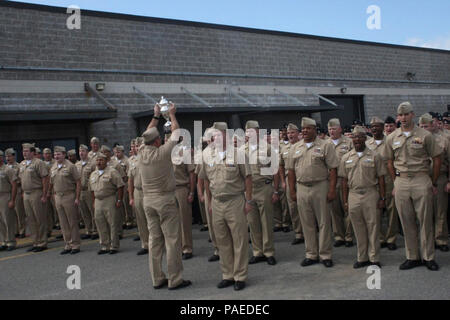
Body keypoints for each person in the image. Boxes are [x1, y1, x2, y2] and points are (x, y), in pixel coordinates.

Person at [138, 102, 191, 290]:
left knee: (154, 241)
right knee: (172, 240)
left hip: (148, 201)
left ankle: (157, 278)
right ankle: (175, 279)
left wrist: (156, 116)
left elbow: (148, 132)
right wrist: (172, 115)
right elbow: (176, 132)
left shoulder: (141, 152)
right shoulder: (162, 153)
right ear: (158, 141)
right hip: (164, 200)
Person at [385, 102, 441, 271]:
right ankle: (412, 256)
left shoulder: (425, 135)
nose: (403, 118)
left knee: (425, 220)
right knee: (406, 220)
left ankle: (428, 256)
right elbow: (389, 161)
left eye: (406, 114)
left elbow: (437, 158)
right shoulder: (392, 137)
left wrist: (433, 181)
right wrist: (395, 181)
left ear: (412, 115)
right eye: (400, 115)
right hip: (401, 181)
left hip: (421, 179)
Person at [199, 121, 253, 290]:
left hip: (234, 200)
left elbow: (248, 178)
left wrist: (248, 200)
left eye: (217, 134)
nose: (213, 137)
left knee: (239, 239)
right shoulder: (207, 154)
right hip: (216, 202)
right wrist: (209, 202)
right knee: (222, 241)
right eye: (212, 135)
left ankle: (240, 276)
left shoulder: (238, 154)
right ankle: (227, 274)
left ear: (225, 135)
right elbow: (205, 179)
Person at [287, 117, 339, 268]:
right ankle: (311, 254)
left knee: (323, 222)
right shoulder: (295, 147)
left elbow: (333, 169)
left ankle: (325, 254)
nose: (304, 131)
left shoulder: (325, 145)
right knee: (306, 222)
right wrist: (292, 191)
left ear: (314, 129)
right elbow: (290, 171)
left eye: (308, 128)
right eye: (303, 129)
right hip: (301, 187)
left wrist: (331, 190)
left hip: (320, 186)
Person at [340, 126, 386, 268]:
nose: (357, 140)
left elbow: (381, 178)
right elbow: (343, 181)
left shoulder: (374, 156)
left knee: (373, 226)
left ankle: (374, 258)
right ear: (351, 140)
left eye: (360, 136)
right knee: (358, 227)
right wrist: (345, 200)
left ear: (365, 138)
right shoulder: (346, 157)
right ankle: (362, 257)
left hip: (370, 193)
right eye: (355, 137)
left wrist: (383, 198)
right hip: (353, 195)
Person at [245, 120, 279, 266]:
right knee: (253, 222)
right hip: (250, 190)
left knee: (266, 221)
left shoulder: (268, 148)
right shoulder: (241, 150)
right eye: (248, 131)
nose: (250, 133)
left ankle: (269, 252)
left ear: (258, 132)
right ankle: (257, 252)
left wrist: (276, 190)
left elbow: (275, 170)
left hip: (264, 187)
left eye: (253, 131)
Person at [418, 113, 449, 252]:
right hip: (422, 178)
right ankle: (427, 240)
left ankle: (441, 239)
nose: (424, 128)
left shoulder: (444, 139)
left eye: (426, 126)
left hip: (441, 177)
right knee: (424, 212)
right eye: (421, 126)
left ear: (433, 125)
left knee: (440, 210)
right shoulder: (416, 139)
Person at [367, 116, 399, 250]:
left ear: (383, 128)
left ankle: (391, 238)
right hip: (373, 181)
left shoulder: (390, 141)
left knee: (392, 210)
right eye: (373, 127)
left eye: (378, 126)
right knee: (375, 211)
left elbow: (396, 160)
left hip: (388, 179)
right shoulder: (367, 144)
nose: (375, 129)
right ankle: (379, 238)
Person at [89, 152, 124, 254]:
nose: (99, 162)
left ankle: (114, 246)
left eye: (101, 160)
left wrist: (119, 200)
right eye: (97, 160)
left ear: (106, 161)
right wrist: (93, 202)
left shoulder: (112, 172)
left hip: (109, 199)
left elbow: (120, 186)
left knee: (112, 223)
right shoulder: (93, 174)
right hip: (98, 201)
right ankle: (105, 245)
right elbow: (91, 190)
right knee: (100, 223)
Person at [48, 146, 82, 255]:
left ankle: (75, 244)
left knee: (72, 221)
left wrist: (77, 197)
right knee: (63, 223)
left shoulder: (70, 166)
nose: (56, 156)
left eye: (58, 154)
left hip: (69, 195)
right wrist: (51, 194)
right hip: (58, 196)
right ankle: (68, 244)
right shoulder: (53, 167)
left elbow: (78, 182)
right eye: (55, 154)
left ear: (64, 154)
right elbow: (51, 183)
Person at [327, 118, 354, 247]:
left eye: (334, 129)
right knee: (334, 210)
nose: (332, 131)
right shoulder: (324, 144)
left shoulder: (349, 142)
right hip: (331, 181)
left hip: (346, 179)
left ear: (340, 129)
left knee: (347, 208)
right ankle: (339, 236)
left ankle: (349, 236)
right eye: (330, 129)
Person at [19, 143, 49, 252]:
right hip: (26, 194)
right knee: (31, 219)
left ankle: (42, 242)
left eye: (27, 151)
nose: (24, 153)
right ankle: (35, 242)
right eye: (23, 151)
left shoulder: (38, 163)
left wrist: (45, 194)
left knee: (39, 218)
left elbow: (45, 179)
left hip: (36, 193)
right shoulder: (22, 164)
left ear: (32, 152)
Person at [197, 128, 220, 262]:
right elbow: (201, 177)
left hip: (222, 191)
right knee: (212, 223)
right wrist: (202, 194)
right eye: (209, 139)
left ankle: (228, 249)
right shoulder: (204, 154)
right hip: (209, 193)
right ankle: (217, 249)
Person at [279, 123, 304, 245]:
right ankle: (298, 233)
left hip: (301, 180)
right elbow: (281, 166)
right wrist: (283, 181)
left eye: (292, 132)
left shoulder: (303, 146)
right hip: (289, 180)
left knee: (305, 207)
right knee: (293, 208)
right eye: (288, 133)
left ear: (298, 133)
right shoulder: (284, 148)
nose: (290, 135)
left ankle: (309, 231)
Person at [173, 142, 196, 260]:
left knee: (184, 220)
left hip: (182, 189)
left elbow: (192, 174)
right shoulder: (164, 154)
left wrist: (191, 192)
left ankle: (187, 248)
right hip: (169, 191)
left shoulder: (185, 153)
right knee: (172, 222)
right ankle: (177, 247)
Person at [128, 138, 149, 255]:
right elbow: (130, 180)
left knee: (152, 220)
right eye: (136, 146)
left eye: (140, 145)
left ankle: (156, 243)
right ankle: (145, 244)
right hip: (137, 191)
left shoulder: (149, 158)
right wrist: (131, 196)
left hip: (149, 192)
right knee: (141, 220)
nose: (137, 147)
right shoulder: (132, 161)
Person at [76, 144, 98, 240]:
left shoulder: (92, 164)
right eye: (80, 151)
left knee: (92, 211)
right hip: (81, 191)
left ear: (87, 152)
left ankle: (95, 230)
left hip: (89, 190)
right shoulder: (77, 165)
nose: (81, 153)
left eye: (83, 151)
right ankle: (88, 230)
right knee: (84, 212)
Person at [5, 148, 26, 238]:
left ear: (13, 156)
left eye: (9, 156)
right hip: (8, 191)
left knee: (19, 212)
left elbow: (22, 179)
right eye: (6, 156)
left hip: (17, 189)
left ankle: (22, 230)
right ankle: (15, 230)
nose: (7, 158)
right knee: (11, 213)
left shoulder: (18, 166)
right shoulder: (5, 167)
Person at [273, 124, 291, 232]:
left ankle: (285, 222)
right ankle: (278, 222)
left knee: (285, 201)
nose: (284, 133)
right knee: (276, 201)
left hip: (284, 175)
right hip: (274, 175)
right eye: (282, 132)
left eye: (286, 131)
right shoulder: (275, 145)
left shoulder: (292, 145)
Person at [0, 150, 18, 251]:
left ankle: (11, 241)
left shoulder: (7, 169)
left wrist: (12, 199)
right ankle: (3, 241)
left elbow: (14, 185)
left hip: (5, 195)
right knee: (1, 221)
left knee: (8, 220)